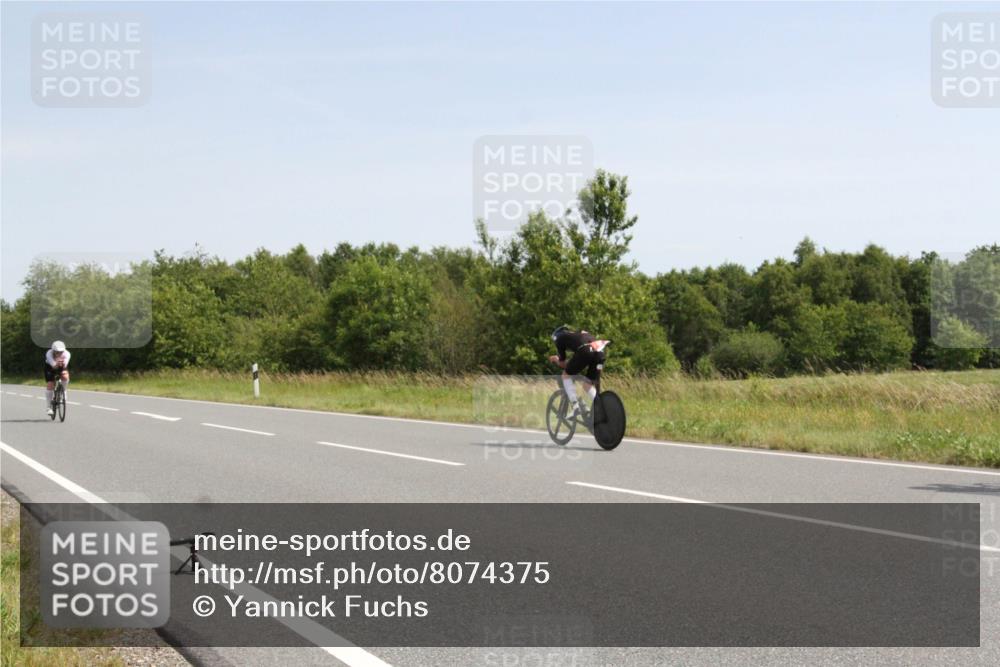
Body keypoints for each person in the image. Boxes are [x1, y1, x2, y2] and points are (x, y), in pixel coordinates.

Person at [548, 325, 609, 417]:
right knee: (587, 385)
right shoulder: (581, 334)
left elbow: (562, 364)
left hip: (585, 351)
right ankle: (602, 407)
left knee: (565, 375)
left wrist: (555, 359)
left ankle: (576, 406)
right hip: (600, 354)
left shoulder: (559, 338)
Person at [44, 340, 71, 416]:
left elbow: (64, 366)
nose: (59, 353)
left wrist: (62, 364)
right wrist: (57, 363)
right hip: (50, 367)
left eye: (61, 352)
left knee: (65, 376)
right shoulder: (49, 353)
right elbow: (53, 366)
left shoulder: (67, 353)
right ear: (53, 350)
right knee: (50, 384)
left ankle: (64, 390)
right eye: (56, 352)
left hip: (61, 366)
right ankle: (48, 407)